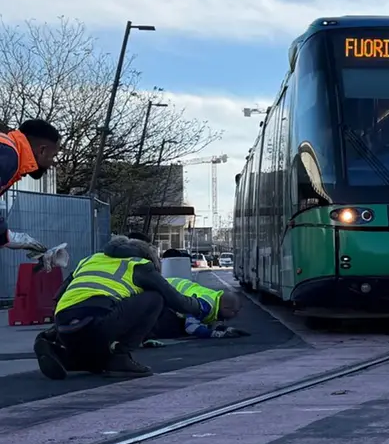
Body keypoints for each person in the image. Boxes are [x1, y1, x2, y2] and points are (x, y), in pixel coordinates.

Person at [33, 235, 212, 380]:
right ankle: (121, 357)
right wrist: (200, 307)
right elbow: (176, 300)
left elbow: (59, 296)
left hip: (65, 325)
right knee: (155, 299)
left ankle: (59, 352)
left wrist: (57, 329)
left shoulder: (90, 260)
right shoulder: (139, 265)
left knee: (97, 361)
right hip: (98, 322)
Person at [0, 120, 62, 253]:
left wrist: (5, 236)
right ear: (42, 150)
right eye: (53, 156)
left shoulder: (7, 150)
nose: (52, 163)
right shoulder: (8, 156)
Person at [143, 277, 247, 346]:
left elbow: (205, 322)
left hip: (165, 294)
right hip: (157, 295)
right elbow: (191, 327)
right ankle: (148, 336)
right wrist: (217, 334)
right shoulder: (205, 304)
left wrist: (227, 329)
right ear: (225, 308)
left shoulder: (216, 300)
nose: (235, 316)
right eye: (234, 312)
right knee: (174, 328)